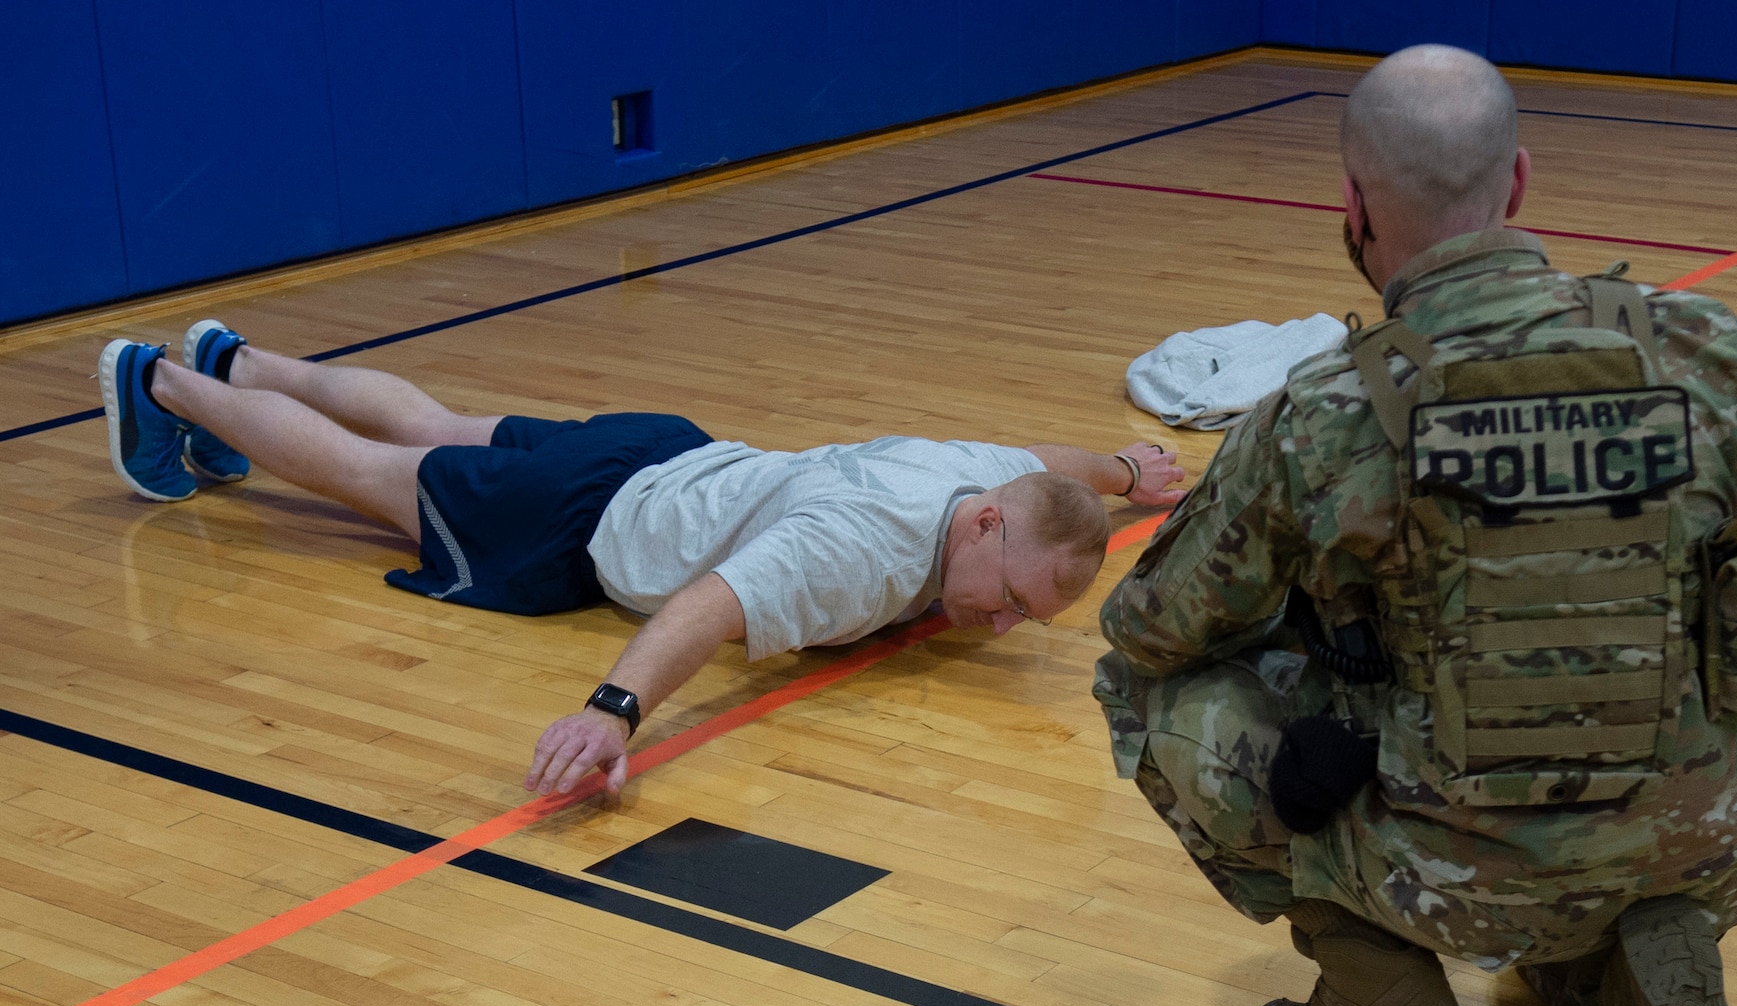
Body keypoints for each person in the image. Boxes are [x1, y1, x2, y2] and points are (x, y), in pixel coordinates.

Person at [1094, 45, 1737, 1006]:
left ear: (1351, 208)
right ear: (1516, 183)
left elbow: (1153, 628)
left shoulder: (1323, 411)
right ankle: (1634, 953)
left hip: (1438, 868)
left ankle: (1378, 991)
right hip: (1695, 838)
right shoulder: (1701, 352)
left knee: (1144, 693)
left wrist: (1314, 650)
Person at [97, 323, 1186, 797]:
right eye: (1002, 606)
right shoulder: (857, 550)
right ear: (984, 530)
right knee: (369, 471)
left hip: (669, 450)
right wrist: (612, 711)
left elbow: (1052, 466)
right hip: (586, 525)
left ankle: (237, 358)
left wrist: (1122, 472)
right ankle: (164, 386)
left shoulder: (984, 477)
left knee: (437, 421)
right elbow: (711, 605)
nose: (994, 629)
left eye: (1018, 624)